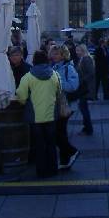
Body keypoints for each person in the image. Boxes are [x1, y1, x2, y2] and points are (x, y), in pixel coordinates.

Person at [15, 49, 61, 177]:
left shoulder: (28, 77)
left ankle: (41, 170)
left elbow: (22, 96)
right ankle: (53, 169)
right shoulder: (55, 74)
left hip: (35, 117)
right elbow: (59, 92)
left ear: (34, 61)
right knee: (51, 144)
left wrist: (24, 101)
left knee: (39, 145)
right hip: (51, 115)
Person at [49, 44, 80, 169]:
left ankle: (72, 151)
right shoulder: (53, 67)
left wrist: (58, 82)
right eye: (53, 53)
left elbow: (73, 86)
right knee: (60, 132)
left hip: (66, 105)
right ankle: (65, 160)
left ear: (63, 55)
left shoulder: (69, 68)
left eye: (56, 53)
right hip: (56, 104)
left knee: (57, 132)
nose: (54, 56)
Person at [74, 43, 95, 135]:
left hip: (85, 88)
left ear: (83, 51)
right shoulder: (82, 59)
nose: (76, 52)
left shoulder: (86, 59)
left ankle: (88, 128)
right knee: (83, 107)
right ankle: (86, 127)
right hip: (83, 87)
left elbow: (91, 73)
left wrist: (81, 80)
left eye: (78, 50)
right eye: (76, 50)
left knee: (83, 108)